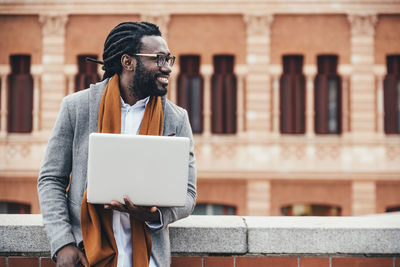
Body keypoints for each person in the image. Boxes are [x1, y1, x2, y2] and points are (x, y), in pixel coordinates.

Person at [37, 21, 197, 267]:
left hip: (149, 259)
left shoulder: (176, 118)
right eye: (159, 59)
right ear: (128, 62)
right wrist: (62, 242)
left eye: (168, 60)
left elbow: (188, 194)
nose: (167, 68)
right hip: (86, 256)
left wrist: (153, 215)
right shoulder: (77, 108)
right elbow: (51, 179)